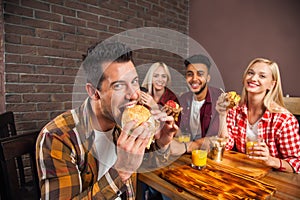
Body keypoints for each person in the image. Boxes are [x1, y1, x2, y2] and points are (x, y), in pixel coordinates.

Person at [35, 41, 178, 199]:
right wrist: (121, 171)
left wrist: (161, 144)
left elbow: (146, 164)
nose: (134, 95)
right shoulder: (57, 137)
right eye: (118, 86)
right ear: (94, 92)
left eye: (135, 82)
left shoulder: (125, 121)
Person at [216, 57, 300, 173]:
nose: (253, 78)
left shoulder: (284, 120)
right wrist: (222, 115)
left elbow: (296, 164)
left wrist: (270, 160)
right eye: (250, 73)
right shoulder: (234, 111)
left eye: (262, 76)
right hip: (242, 173)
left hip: (273, 178)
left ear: (271, 84)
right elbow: (225, 147)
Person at [171, 54, 222, 155]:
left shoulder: (219, 99)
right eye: (190, 74)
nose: (194, 79)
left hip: (210, 156)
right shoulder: (183, 99)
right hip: (186, 157)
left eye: (200, 74)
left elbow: (215, 138)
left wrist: (187, 147)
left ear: (208, 78)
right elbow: (178, 132)